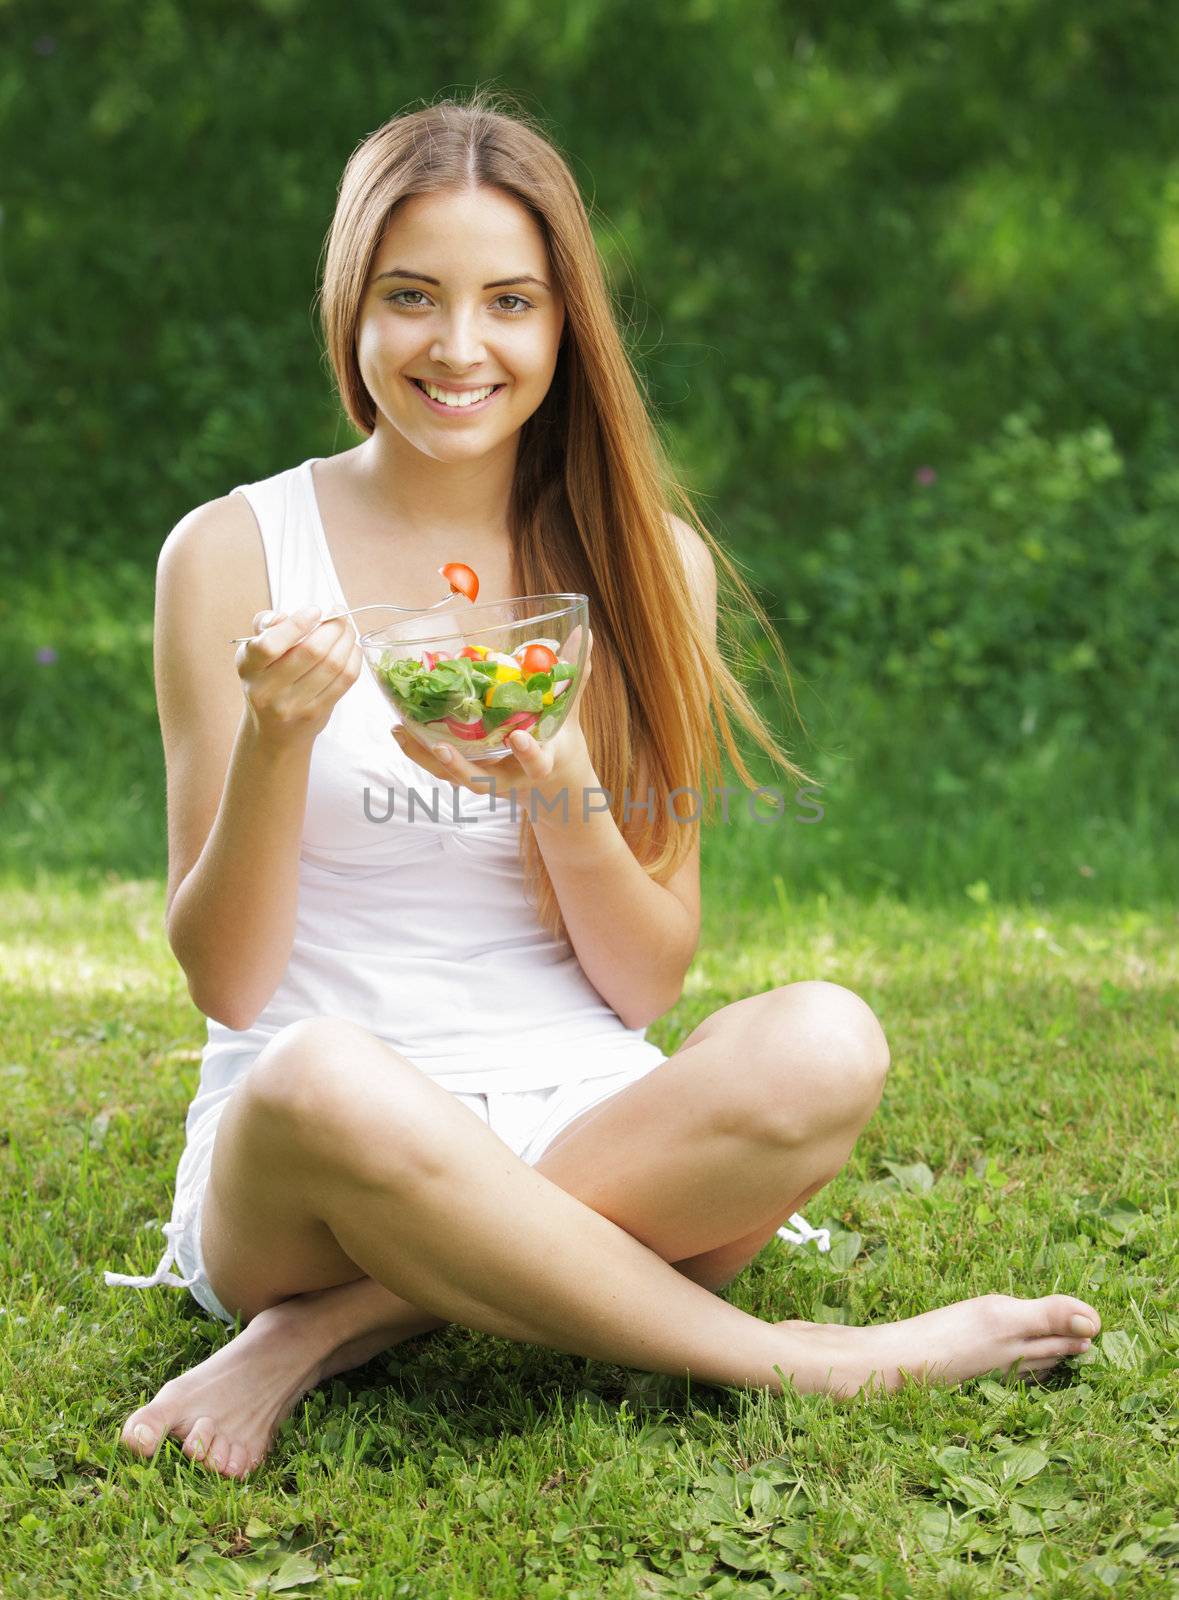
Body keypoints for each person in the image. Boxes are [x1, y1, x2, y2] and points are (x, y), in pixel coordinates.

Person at [105, 93, 1100, 1480]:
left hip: (583, 1104)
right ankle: (818, 1363)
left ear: (565, 324)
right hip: (314, 1161)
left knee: (828, 1042)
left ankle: (325, 1333)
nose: (461, 348)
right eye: (412, 298)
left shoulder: (649, 566)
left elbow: (643, 988)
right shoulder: (230, 552)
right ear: (351, 313)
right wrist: (279, 742)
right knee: (319, 1074)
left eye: (510, 301)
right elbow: (226, 982)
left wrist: (557, 777)